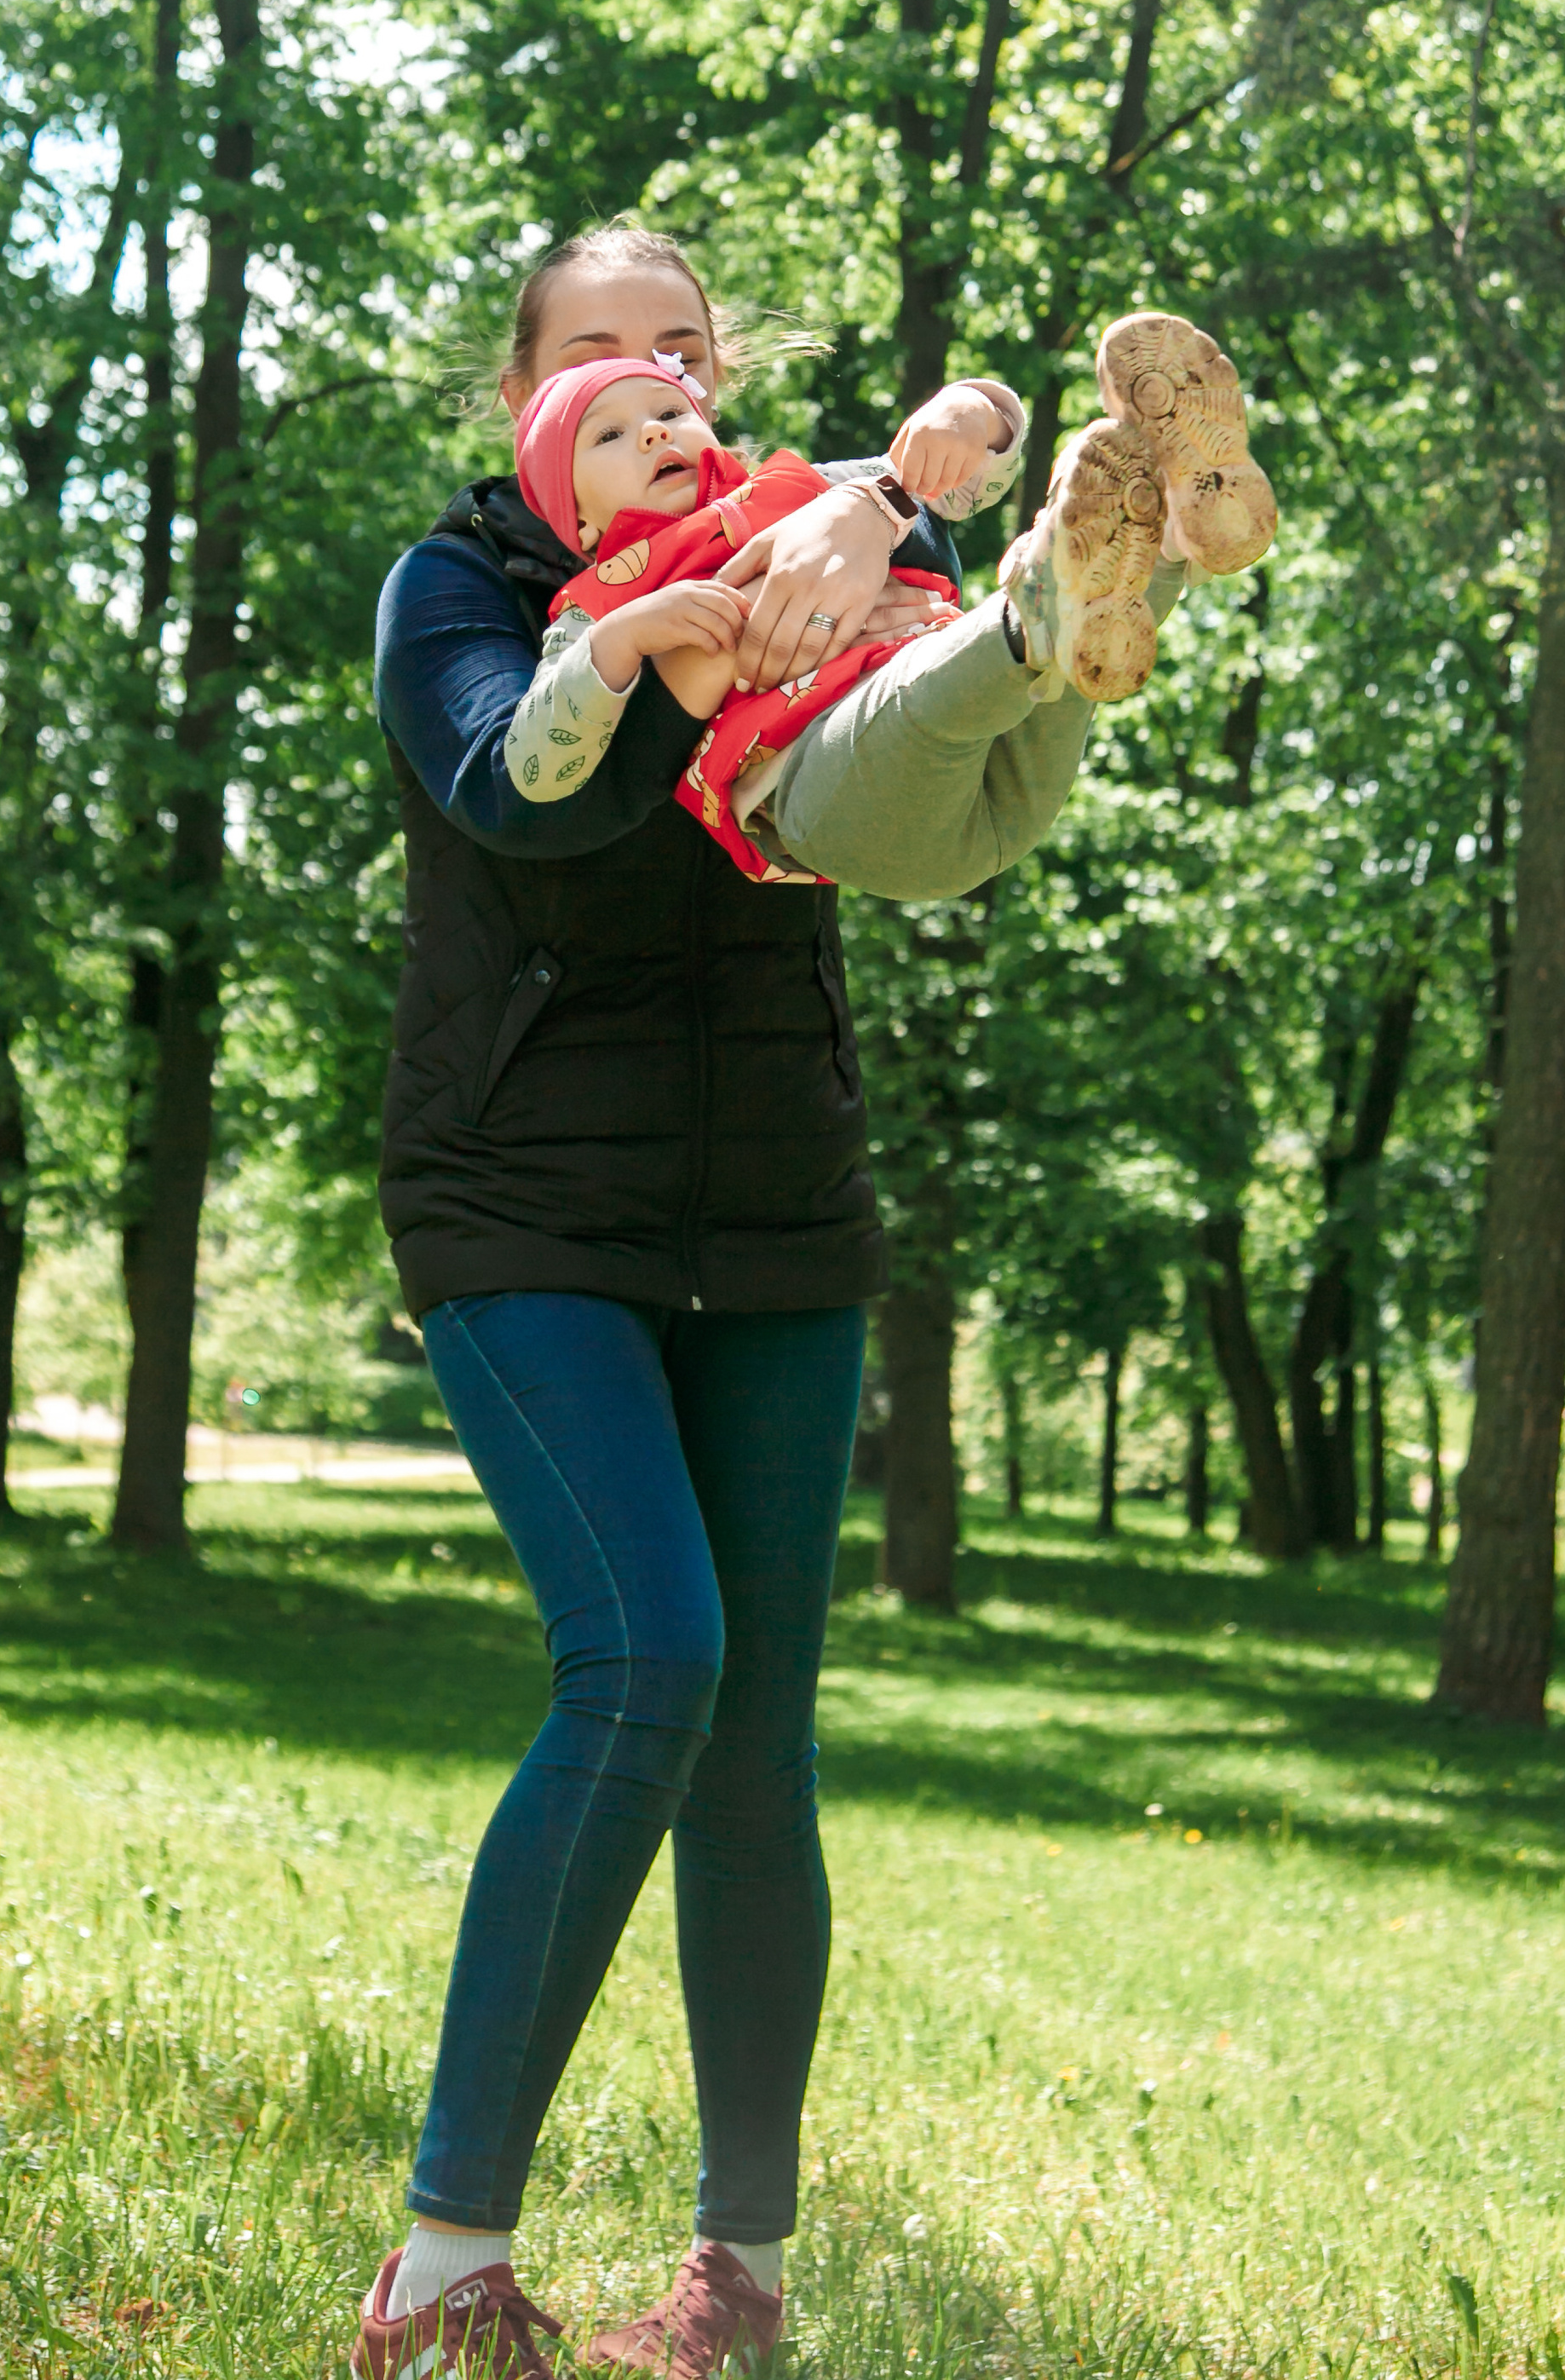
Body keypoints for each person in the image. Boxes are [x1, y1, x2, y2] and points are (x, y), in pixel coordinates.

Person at [360, 226, 1270, 2378]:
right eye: (599, 355)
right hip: (519, 1205)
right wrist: (664, 618)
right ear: (522, 396)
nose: (647, 379)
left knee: (755, 1741)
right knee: (644, 1654)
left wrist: (877, 528)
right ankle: (438, 2266)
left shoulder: (792, 517)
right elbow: (515, 789)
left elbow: (872, 802)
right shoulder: (460, 585)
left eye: (676, 349)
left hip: (772, 1196)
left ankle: (733, 2286)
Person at [496, 321, 1272, 891]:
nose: (651, 434)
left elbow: (957, 481)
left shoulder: (793, 492)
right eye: (608, 435)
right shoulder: (599, 601)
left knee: (1079, 660)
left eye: (669, 412)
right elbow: (535, 767)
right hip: (831, 795)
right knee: (920, 701)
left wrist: (969, 411)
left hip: (997, 724)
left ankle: (1175, 524)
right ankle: (1036, 606)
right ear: (579, 522)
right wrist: (625, 638)